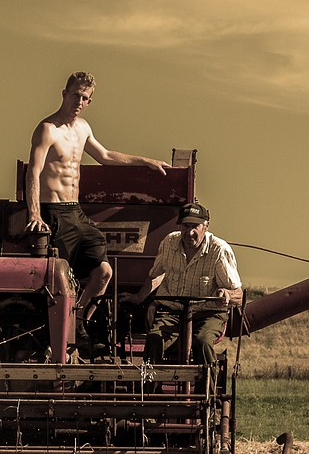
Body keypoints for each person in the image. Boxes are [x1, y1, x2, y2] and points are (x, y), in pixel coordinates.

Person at [25, 72, 168, 339]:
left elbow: (105, 156)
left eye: (85, 98)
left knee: (104, 272)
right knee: (61, 280)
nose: (79, 101)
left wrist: (145, 161)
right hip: (52, 211)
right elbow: (33, 172)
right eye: (76, 95)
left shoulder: (83, 128)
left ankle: (77, 321)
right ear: (64, 93)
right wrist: (34, 213)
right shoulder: (47, 129)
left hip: (75, 211)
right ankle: (56, 333)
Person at [123, 202, 243, 367]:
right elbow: (155, 275)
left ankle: (206, 390)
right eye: (186, 226)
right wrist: (139, 298)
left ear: (206, 227)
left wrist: (227, 295)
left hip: (208, 314)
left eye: (195, 226)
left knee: (202, 341)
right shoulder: (169, 243)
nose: (190, 232)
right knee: (154, 339)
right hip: (173, 312)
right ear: (180, 226)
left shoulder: (219, 250)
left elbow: (239, 294)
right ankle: (151, 390)